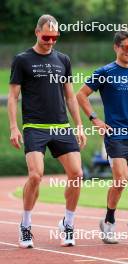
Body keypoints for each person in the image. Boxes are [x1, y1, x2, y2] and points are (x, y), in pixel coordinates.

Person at [8, 14, 86, 248]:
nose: (51, 41)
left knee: (77, 174)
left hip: (61, 126)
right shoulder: (22, 60)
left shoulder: (63, 59)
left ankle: (68, 223)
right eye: (47, 36)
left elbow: (70, 96)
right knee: (35, 175)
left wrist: (79, 124)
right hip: (34, 127)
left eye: (55, 37)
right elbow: (13, 97)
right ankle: (25, 224)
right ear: (37, 32)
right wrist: (14, 127)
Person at [77, 30, 128, 244]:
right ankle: (109, 222)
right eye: (126, 47)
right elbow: (81, 95)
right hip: (115, 135)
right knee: (121, 180)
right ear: (116, 47)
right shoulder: (105, 72)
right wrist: (95, 119)